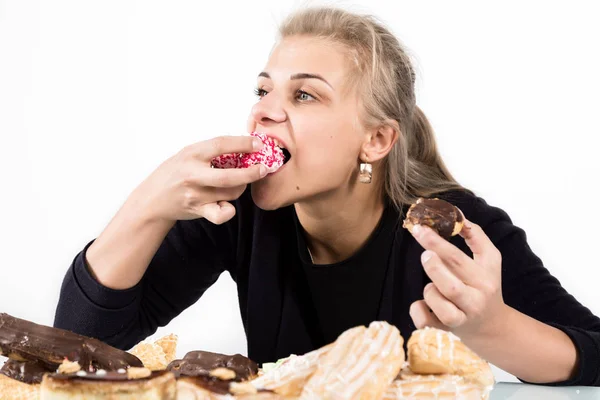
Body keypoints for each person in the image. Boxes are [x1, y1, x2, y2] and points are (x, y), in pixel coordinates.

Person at [54, 7, 600, 386]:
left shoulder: (451, 229)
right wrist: (148, 202)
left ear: (378, 139)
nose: (265, 110)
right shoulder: (236, 211)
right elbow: (77, 347)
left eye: (305, 94)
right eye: (263, 89)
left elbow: (593, 353)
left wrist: (492, 328)